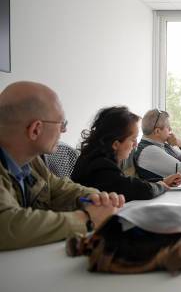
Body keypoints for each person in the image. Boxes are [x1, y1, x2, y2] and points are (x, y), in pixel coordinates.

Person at [0, 81, 122, 251]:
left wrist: (98, 199)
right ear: (35, 129)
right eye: (61, 123)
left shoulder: (33, 162)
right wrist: (87, 218)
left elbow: (60, 189)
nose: (64, 131)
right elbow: (8, 224)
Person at [71, 107, 181, 201]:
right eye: (132, 139)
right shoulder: (100, 166)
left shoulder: (95, 157)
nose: (135, 145)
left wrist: (162, 182)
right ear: (115, 144)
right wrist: (161, 186)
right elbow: (137, 189)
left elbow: (126, 183)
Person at [134, 109, 181, 181]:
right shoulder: (149, 151)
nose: (170, 129)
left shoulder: (162, 145)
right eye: (168, 127)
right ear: (157, 131)